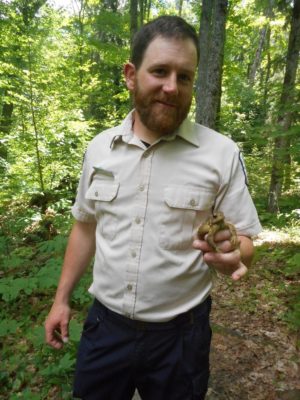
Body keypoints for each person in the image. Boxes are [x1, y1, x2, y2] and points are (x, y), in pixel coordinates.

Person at [45, 15, 262, 400]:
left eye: (185, 76)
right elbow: (85, 226)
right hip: (105, 328)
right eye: (160, 71)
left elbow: (244, 240)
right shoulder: (99, 150)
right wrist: (61, 300)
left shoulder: (221, 154)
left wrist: (234, 254)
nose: (171, 87)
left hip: (181, 337)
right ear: (131, 75)